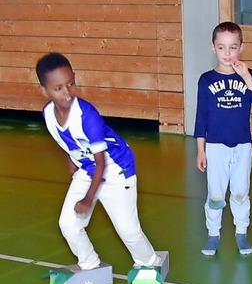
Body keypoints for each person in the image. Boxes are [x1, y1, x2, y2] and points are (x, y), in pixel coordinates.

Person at [35, 52, 161, 270]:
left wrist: (88, 199)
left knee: (128, 230)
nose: (67, 92)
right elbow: (64, 140)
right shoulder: (48, 114)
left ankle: (150, 262)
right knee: (68, 224)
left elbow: (102, 165)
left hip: (115, 168)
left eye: (71, 84)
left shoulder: (87, 115)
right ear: (44, 90)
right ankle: (89, 263)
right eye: (58, 88)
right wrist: (69, 158)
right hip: (87, 169)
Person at [194, 22, 252, 256]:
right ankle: (213, 233)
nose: (227, 53)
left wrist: (246, 75)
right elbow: (200, 117)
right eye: (222, 47)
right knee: (215, 194)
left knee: (240, 191)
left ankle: (241, 232)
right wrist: (200, 150)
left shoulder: (248, 75)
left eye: (233, 48)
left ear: (241, 47)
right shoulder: (206, 80)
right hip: (215, 145)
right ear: (213, 47)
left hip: (242, 144)